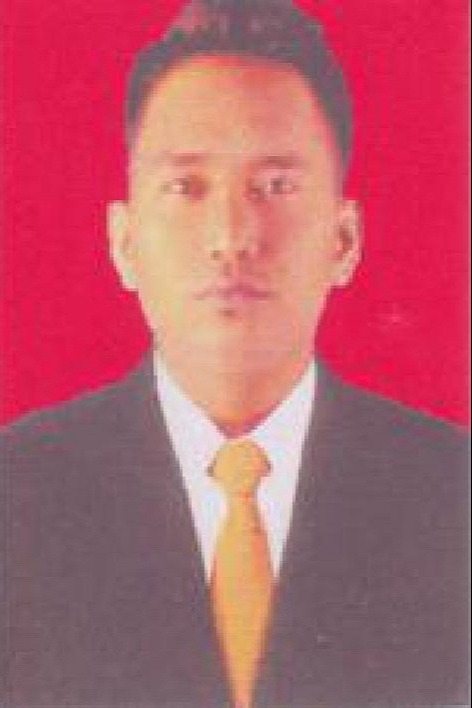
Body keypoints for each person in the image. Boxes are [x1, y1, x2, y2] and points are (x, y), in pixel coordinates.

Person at [2, 0, 468, 706]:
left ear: (344, 240)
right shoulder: (16, 496)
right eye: (186, 187)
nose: (231, 236)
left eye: (275, 186)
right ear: (124, 243)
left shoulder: (454, 496)